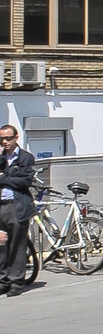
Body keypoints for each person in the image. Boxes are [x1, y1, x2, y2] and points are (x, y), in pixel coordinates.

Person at [0, 125, 36, 295]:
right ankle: (3, 280)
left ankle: (16, 282)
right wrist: (11, 179)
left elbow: (25, 181)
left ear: (16, 138)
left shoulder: (25, 158)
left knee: (17, 244)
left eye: (8, 138)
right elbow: (17, 179)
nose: (4, 142)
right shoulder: (0, 158)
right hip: (1, 205)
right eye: (1, 139)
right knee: (2, 244)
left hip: (17, 205)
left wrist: (4, 179)